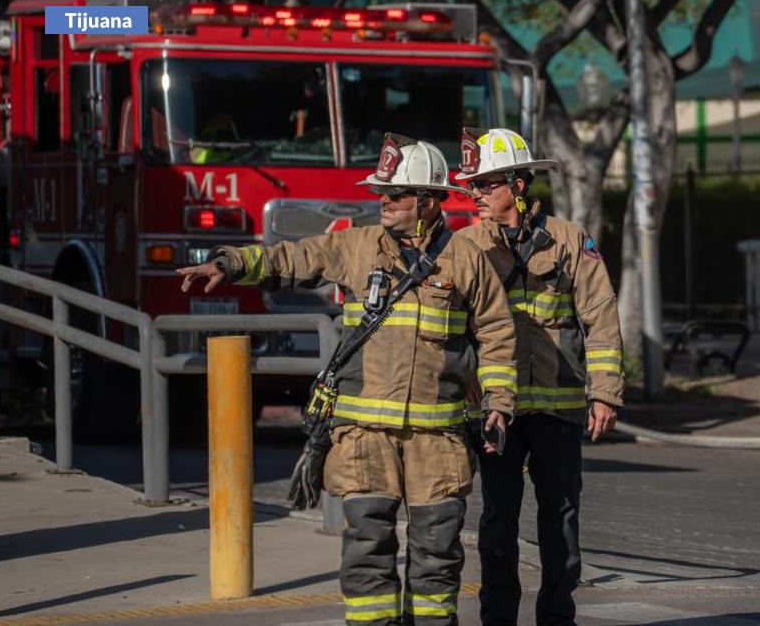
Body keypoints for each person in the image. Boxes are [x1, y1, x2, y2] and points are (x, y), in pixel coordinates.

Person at [178, 133, 518, 626]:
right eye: (381, 193)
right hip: (364, 437)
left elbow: (497, 334)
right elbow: (291, 257)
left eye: (395, 194)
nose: (384, 202)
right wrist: (230, 263)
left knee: (437, 553)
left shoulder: (466, 260)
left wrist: (498, 404)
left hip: (437, 440)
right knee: (367, 547)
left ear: (427, 201)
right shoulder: (357, 247)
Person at [453, 128, 623, 626]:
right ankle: (498, 620)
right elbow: (450, 323)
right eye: (473, 185)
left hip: (557, 406)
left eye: (486, 184)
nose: (476, 193)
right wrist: (465, 376)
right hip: (496, 411)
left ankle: (556, 618)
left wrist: (604, 393)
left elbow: (600, 316)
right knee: (497, 523)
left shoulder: (569, 239)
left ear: (519, 185)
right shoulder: (464, 246)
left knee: (561, 522)